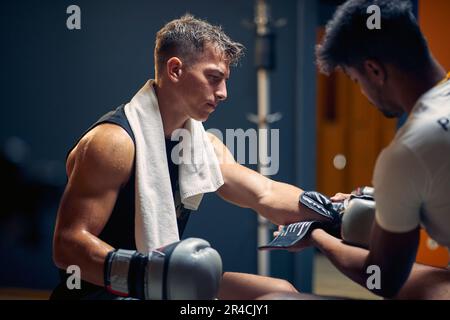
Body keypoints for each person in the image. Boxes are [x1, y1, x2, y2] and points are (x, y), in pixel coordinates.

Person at [50, 14, 327, 300]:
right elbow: (67, 246)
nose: (223, 93)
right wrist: (149, 273)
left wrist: (333, 212)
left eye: (224, 81)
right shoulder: (114, 143)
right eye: (213, 78)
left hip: (165, 279)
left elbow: (265, 194)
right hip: (102, 292)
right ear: (175, 70)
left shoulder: (203, 145)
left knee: (282, 293)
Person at [267, 0, 450, 300]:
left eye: (356, 80)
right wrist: (380, 196)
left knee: (276, 299)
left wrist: (315, 236)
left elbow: (383, 278)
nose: (363, 93)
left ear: (374, 70)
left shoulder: (408, 150)